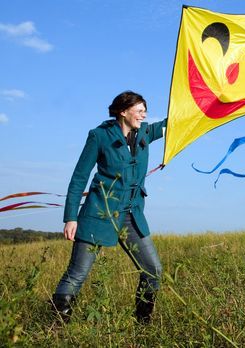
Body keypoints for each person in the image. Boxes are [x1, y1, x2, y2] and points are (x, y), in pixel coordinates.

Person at [51, 91, 166, 323]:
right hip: (98, 214)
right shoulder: (99, 136)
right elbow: (79, 177)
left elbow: (175, 123)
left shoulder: (145, 132)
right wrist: (70, 217)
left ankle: (143, 325)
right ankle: (57, 325)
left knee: (153, 270)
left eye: (145, 111)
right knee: (77, 274)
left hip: (131, 215)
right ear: (123, 112)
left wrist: (210, 102)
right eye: (139, 110)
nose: (144, 115)